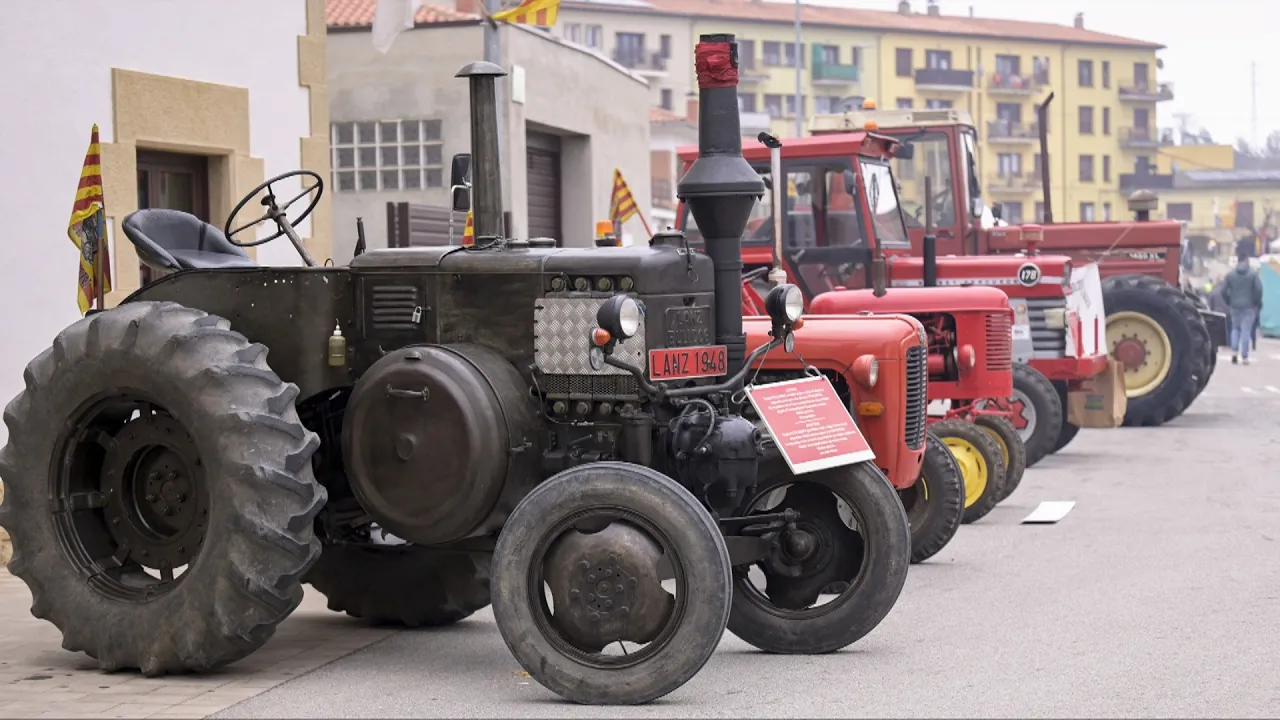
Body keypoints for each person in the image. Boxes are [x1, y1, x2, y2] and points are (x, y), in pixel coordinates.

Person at [1221, 247, 1264, 365]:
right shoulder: (1252, 275)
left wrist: (1229, 301)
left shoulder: (1230, 275)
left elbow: (1223, 291)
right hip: (1249, 306)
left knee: (1235, 329)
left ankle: (1234, 351)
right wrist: (1255, 302)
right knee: (1246, 330)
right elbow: (1258, 290)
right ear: (1246, 260)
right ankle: (1244, 356)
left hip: (1234, 306)